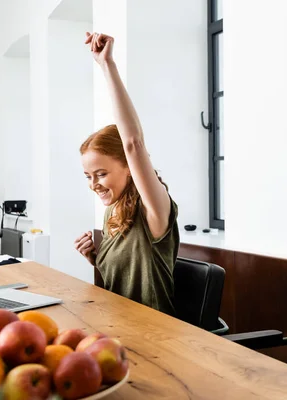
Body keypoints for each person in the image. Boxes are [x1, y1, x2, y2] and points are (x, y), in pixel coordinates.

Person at [74, 32, 179, 316]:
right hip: (119, 328)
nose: (94, 184)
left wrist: (106, 65)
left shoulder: (154, 209)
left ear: (129, 168)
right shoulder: (113, 212)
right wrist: (95, 258)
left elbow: (133, 143)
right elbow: (123, 286)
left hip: (156, 338)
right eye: (88, 176)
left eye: (101, 173)